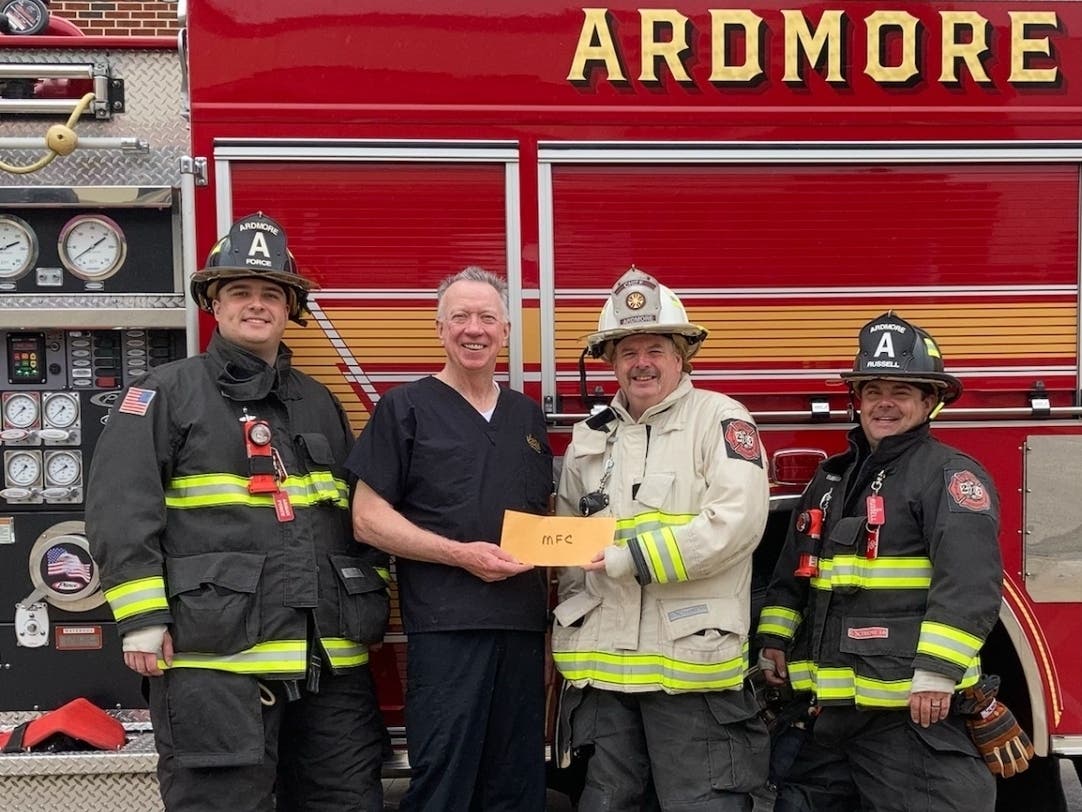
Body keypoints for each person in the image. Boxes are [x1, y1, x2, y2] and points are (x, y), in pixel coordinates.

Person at [85, 213, 388, 812]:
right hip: (214, 660)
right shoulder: (164, 393)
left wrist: (368, 592)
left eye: (270, 293)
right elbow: (121, 506)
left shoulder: (319, 401)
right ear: (214, 306)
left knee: (347, 800)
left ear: (289, 307)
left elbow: (353, 512)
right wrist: (143, 616)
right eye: (240, 292)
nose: (256, 305)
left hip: (327, 661)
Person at [756, 311, 1003, 811]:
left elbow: (969, 583)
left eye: (902, 392)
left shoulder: (948, 476)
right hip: (829, 713)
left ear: (930, 402)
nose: (884, 404)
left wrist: (937, 672)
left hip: (905, 713)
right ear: (857, 399)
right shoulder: (830, 481)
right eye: (873, 391)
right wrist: (774, 640)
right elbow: (791, 575)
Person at [551, 267, 771, 811]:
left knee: (701, 802)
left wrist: (629, 559)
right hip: (604, 669)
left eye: (655, 348)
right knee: (607, 802)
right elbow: (572, 546)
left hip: (689, 668)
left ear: (681, 356)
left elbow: (735, 525)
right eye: (627, 351)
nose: (641, 363)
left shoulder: (720, 419)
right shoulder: (590, 437)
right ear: (610, 362)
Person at [347, 266, 552, 812]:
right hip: (446, 629)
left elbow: (545, 516)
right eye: (459, 316)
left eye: (487, 317)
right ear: (439, 329)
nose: (474, 328)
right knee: (444, 781)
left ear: (507, 331)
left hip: (523, 629)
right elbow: (367, 519)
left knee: (519, 782)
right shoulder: (404, 407)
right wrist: (458, 555)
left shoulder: (527, 418)